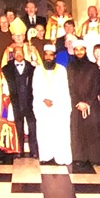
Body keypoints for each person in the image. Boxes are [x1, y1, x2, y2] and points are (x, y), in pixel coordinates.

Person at [31, 37, 70, 165]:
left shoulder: (61, 70)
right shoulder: (38, 70)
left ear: (54, 56)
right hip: (42, 106)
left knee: (59, 131)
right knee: (44, 131)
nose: (48, 57)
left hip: (58, 106)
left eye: (51, 55)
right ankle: (46, 156)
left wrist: (54, 100)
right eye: (46, 55)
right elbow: (35, 88)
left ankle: (60, 157)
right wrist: (44, 99)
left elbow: (64, 88)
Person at [68, 42, 100, 169]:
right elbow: (70, 87)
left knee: (92, 130)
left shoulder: (93, 67)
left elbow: (96, 86)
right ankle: (79, 157)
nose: (79, 52)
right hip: (76, 104)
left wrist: (88, 102)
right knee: (77, 131)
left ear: (85, 50)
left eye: (81, 49)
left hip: (91, 104)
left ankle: (94, 157)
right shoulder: (70, 66)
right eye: (77, 50)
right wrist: (78, 102)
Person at [2, 36, 37, 157]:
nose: (18, 54)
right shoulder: (6, 69)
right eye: (16, 52)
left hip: (30, 102)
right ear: (13, 54)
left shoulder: (33, 67)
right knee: (18, 126)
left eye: (20, 52)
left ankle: (34, 151)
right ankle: (19, 150)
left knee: (33, 126)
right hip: (15, 102)